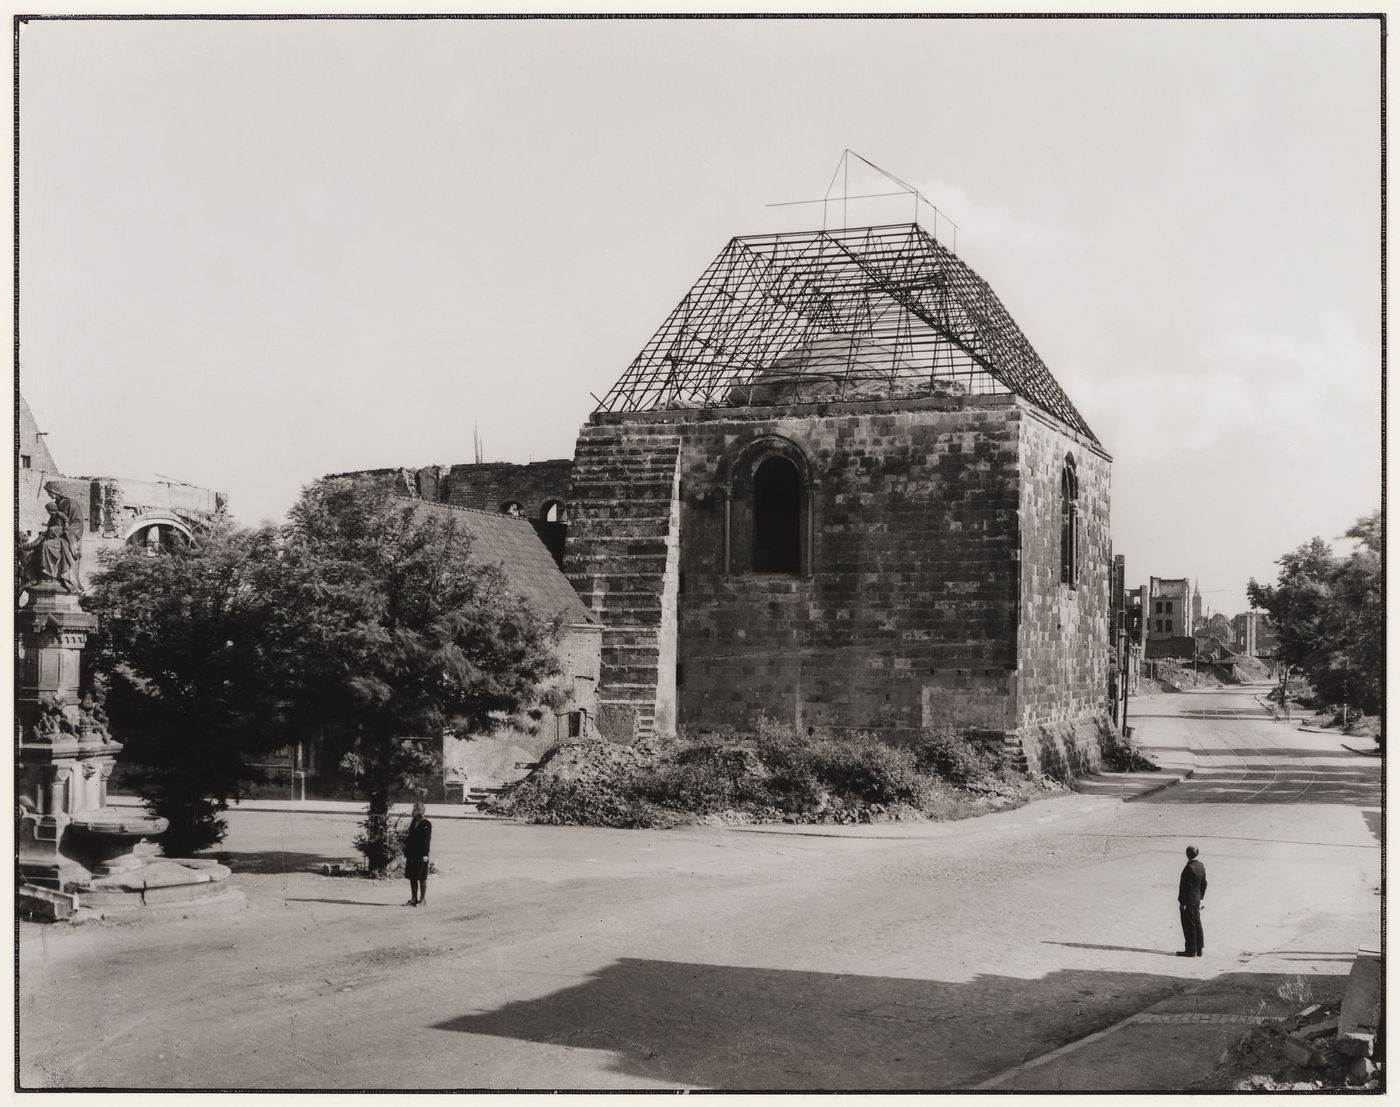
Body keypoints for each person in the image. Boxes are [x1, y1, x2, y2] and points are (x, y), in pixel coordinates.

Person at [1177, 845, 1207, 957]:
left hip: (1189, 900)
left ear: (1187, 854)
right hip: (1197, 898)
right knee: (1197, 923)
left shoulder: (1189, 868)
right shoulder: (1201, 866)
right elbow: (1204, 884)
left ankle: (1191, 950)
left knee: (1189, 925)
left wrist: (1182, 902)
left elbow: (1184, 887)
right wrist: (1201, 898)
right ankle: (1200, 948)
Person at [403, 802, 432, 907]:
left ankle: (423, 899)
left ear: (420, 811)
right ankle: (414, 898)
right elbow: (410, 837)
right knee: (412, 876)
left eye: (415, 809)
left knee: (421, 876)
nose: (413, 811)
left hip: (421, 854)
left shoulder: (426, 824)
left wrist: (425, 854)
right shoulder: (414, 821)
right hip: (412, 853)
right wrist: (406, 850)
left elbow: (426, 840)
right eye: (413, 809)